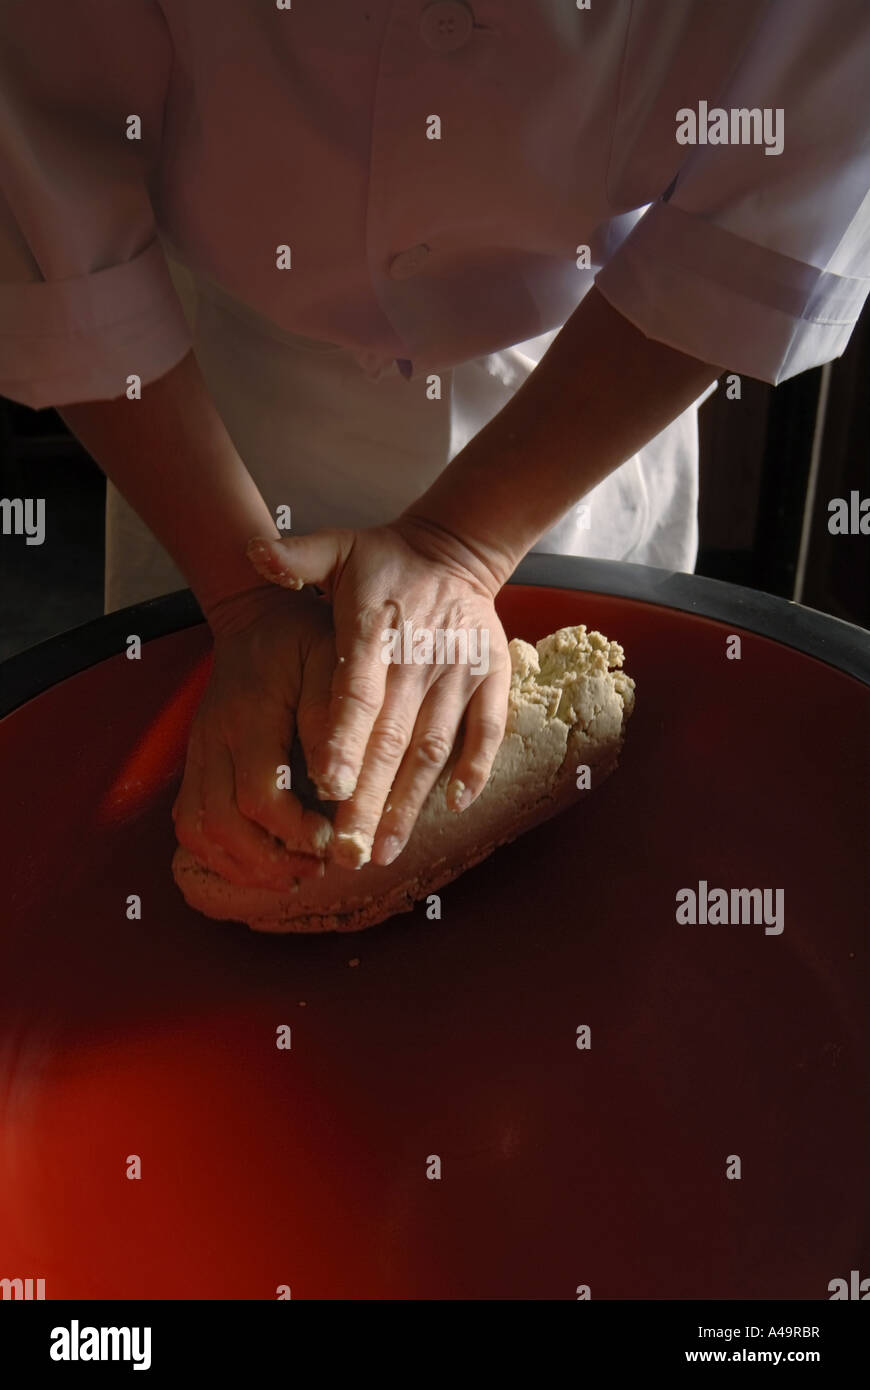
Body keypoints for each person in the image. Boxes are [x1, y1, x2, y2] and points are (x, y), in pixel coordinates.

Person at [1, 1, 868, 886]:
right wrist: (240, 598)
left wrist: (466, 544)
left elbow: (790, 181)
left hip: (584, 399)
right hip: (211, 426)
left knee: (582, 876)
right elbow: (41, 161)